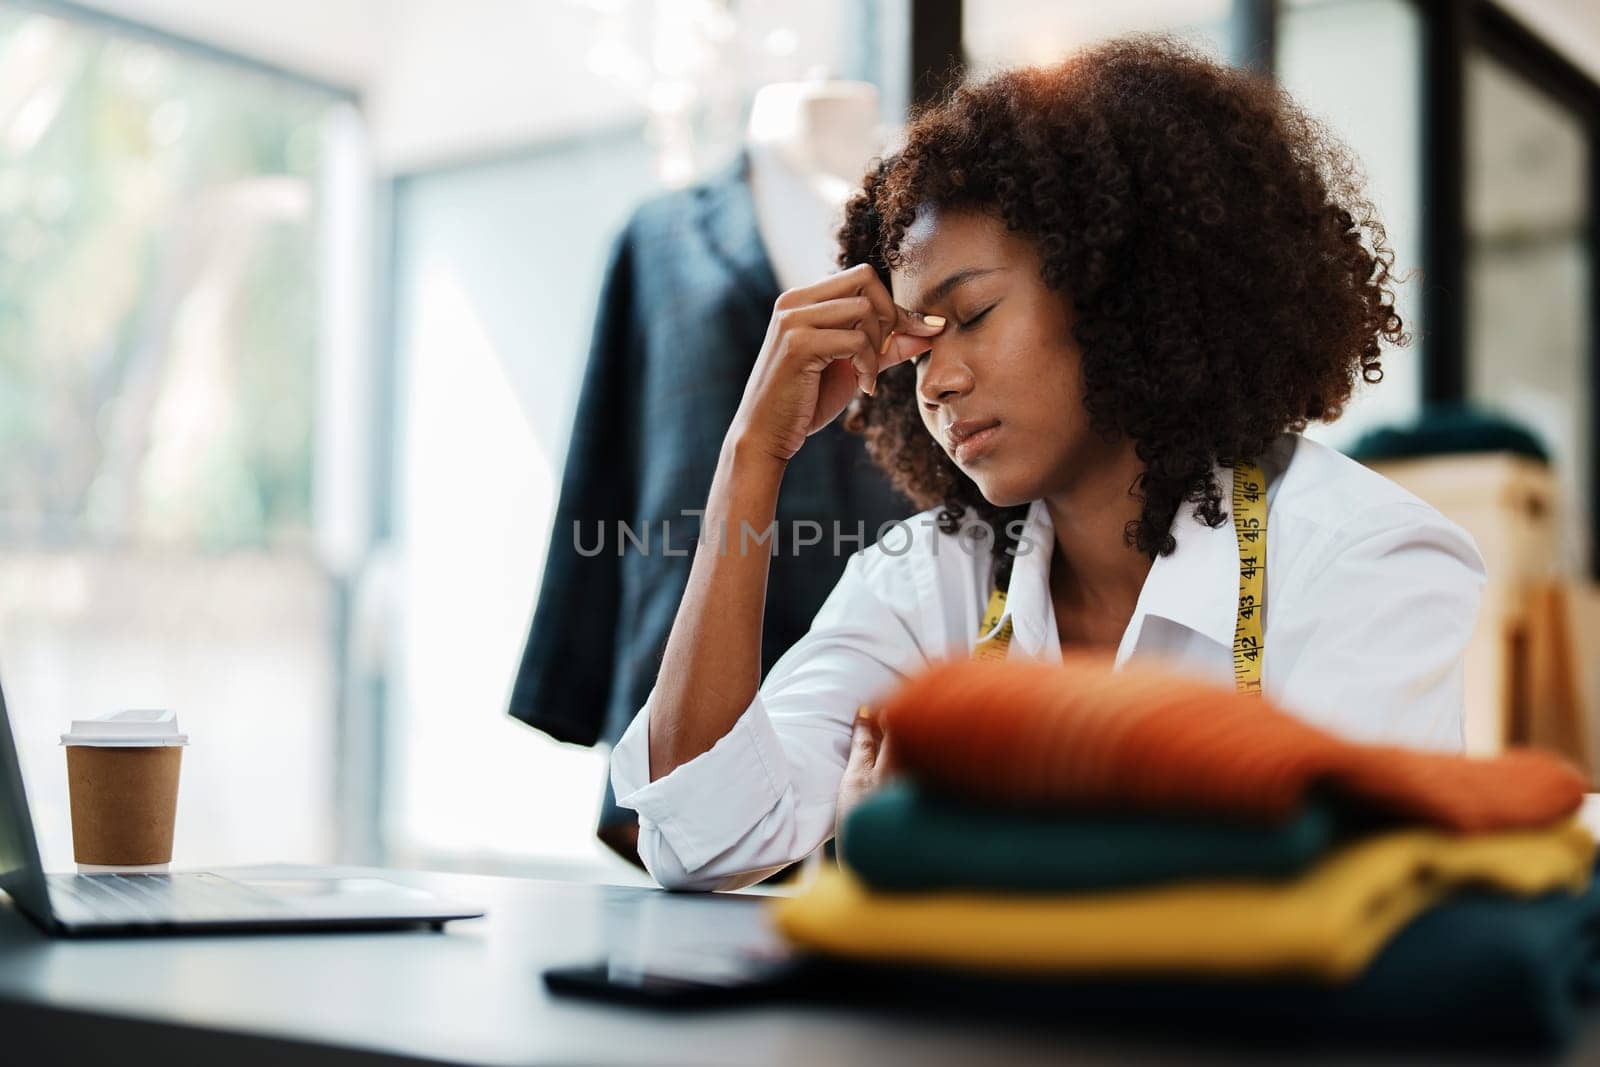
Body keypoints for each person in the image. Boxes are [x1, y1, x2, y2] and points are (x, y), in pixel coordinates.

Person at [608, 35, 1488, 892]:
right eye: (913, 353)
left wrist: (949, 859)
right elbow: (702, 838)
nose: (938, 381)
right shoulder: (929, 580)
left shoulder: (1368, 562)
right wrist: (753, 455)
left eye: (976, 313)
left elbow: (1329, 905)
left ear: (1117, 289)